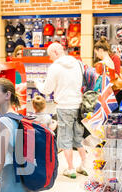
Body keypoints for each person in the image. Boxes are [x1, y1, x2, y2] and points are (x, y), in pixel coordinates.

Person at [36, 42, 87, 179]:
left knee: (65, 139)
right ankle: (84, 165)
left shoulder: (55, 67)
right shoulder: (77, 63)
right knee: (78, 137)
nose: (50, 59)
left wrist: (37, 83)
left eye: (50, 55)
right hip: (79, 105)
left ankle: (70, 169)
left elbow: (47, 90)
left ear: (55, 52)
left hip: (64, 106)